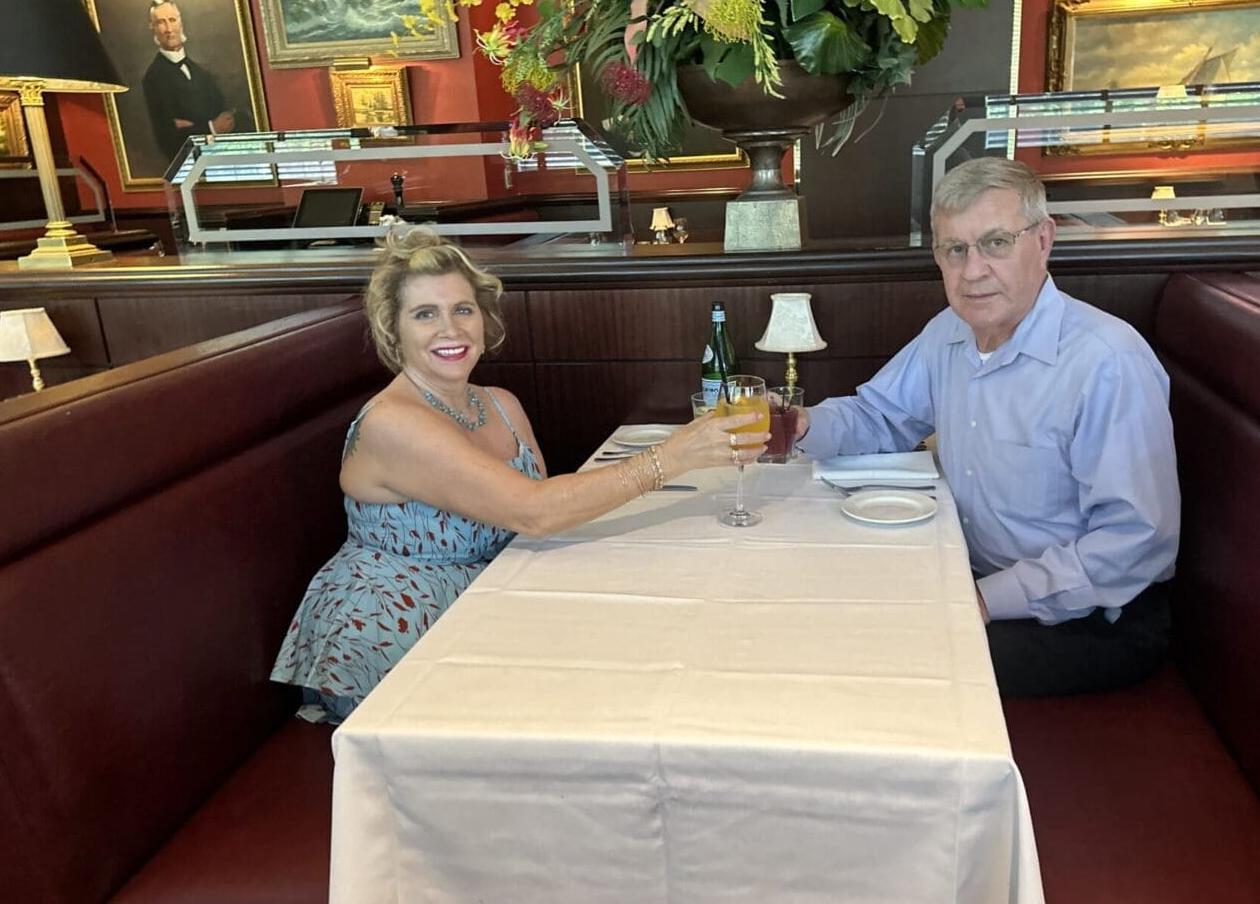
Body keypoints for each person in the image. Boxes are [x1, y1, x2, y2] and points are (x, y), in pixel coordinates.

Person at [271, 227, 765, 722]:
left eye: (462, 310)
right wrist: (673, 457)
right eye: (425, 314)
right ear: (393, 331)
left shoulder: (499, 405)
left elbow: (545, 510)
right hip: (397, 633)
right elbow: (534, 512)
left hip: (486, 608)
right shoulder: (392, 423)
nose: (451, 329)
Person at [794, 158, 1180, 697]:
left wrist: (983, 600)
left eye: (995, 243)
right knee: (819, 598)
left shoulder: (1106, 361)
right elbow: (879, 416)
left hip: (1094, 619)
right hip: (974, 577)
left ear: (1043, 240)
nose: (972, 270)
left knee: (877, 665)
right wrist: (798, 425)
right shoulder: (950, 332)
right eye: (955, 249)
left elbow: (1133, 545)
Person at [141, 0, 236, 164]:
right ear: (153, 28)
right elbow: (168, 138)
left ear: (180, 22)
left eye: (172, 20)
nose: (169, 29)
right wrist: (211, 127)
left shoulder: (202, 73)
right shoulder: (153, 77)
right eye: (161, 22)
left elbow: (225, 117)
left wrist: (191, 126)